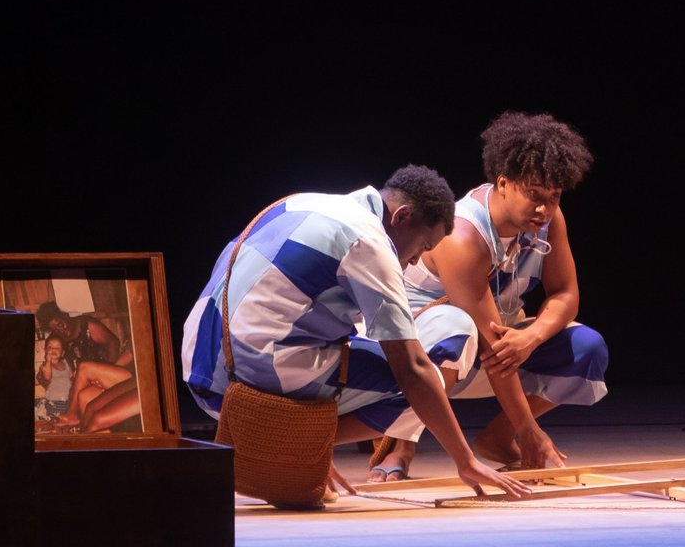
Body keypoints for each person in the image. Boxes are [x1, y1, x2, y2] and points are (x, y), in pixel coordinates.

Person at [180, 165, 530, 502]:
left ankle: (302, 445)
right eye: (423, 246)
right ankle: (299, 448)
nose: (413, 262)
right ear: (402, 217)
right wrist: (465, 461)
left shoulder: (304, 201)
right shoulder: (369, 243)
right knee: (433, 372)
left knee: (372, 345)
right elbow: (412, 370)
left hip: (201, 369)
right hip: (246, 380)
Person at [368, 112, 607, 481]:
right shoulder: (463, 237)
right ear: (503, 183)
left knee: (587, 348)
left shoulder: (549, 221)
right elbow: (492, 348)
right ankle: (401, 445)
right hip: (427, 348)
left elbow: (565, 294)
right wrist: (531, 431)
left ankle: (497, 437)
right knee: (454, 333)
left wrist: (533, 335)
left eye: (554, 197)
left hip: (495, 341)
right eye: (534, 195)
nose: (545, 208)